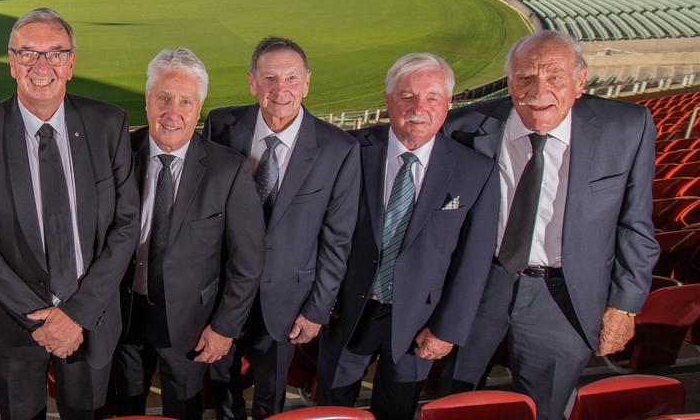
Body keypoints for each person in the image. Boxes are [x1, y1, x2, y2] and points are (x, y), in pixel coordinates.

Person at [445, 30, 659, 420]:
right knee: (458, 404)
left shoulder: (627, 127)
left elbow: (636, 225)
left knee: (546, 411)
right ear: (509, 83)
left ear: (580, 82)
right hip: (478, 290)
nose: (538, 90)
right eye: (525, 77)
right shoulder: (463, 126)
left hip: (564, 300)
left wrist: (624, 307)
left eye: (555, 76)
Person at [0, 7, 140, 420]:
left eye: (55, 54)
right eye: (27, 54)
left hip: (89, 319)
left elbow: (126, 228)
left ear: (71, 64)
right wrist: (44, 321)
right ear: (11, 63)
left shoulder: (108, 124)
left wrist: (75, 315)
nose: (42, 66)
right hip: (14, 325)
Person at [317, 54, 497, 420]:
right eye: (407, 96)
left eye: (432, 97)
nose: (419, 108)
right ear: (387, 99)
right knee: (332, 409)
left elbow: (474, 261)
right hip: (348, 312)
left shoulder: (475, 170)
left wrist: (446, 329)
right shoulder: (350, 150)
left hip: (420, 321)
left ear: (448, 103)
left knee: (397, 410)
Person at [204, 36, 360, 419]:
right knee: (221, 388)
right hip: (222, 295)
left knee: (270, 399)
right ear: (252, 82)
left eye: (291, 78)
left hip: (287, 304)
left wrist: (318, 309)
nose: (281, 89)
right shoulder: (221, 125)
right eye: (269, 78)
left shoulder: (338, 148)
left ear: (307, 83)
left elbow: (337, 240)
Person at [109, 49, 264, 420]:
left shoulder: (228, 170)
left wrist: (224, 327)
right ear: (147, 101)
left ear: (200, 108)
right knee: (123, 408)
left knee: (184, 409)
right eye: (163, 97)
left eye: (185, 101)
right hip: (122, 318)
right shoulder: (116, 156)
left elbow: (248, 260)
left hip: (191, 326)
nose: (172, 112)